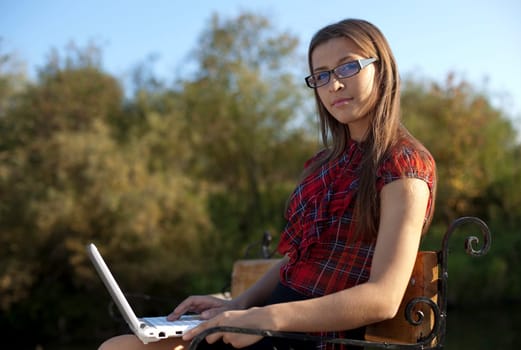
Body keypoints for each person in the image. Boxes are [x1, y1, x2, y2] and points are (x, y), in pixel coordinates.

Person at [98, 18, 436, 350]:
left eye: (348, 68)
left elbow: (384, 298)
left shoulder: (403, 165)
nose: (333, 85)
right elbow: (301, 262)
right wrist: (236, 306)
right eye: (321, 75)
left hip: (319, 336)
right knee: (121, 345)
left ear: (382, 69)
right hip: (271, 325)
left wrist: (264, 319)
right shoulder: (327, 164)